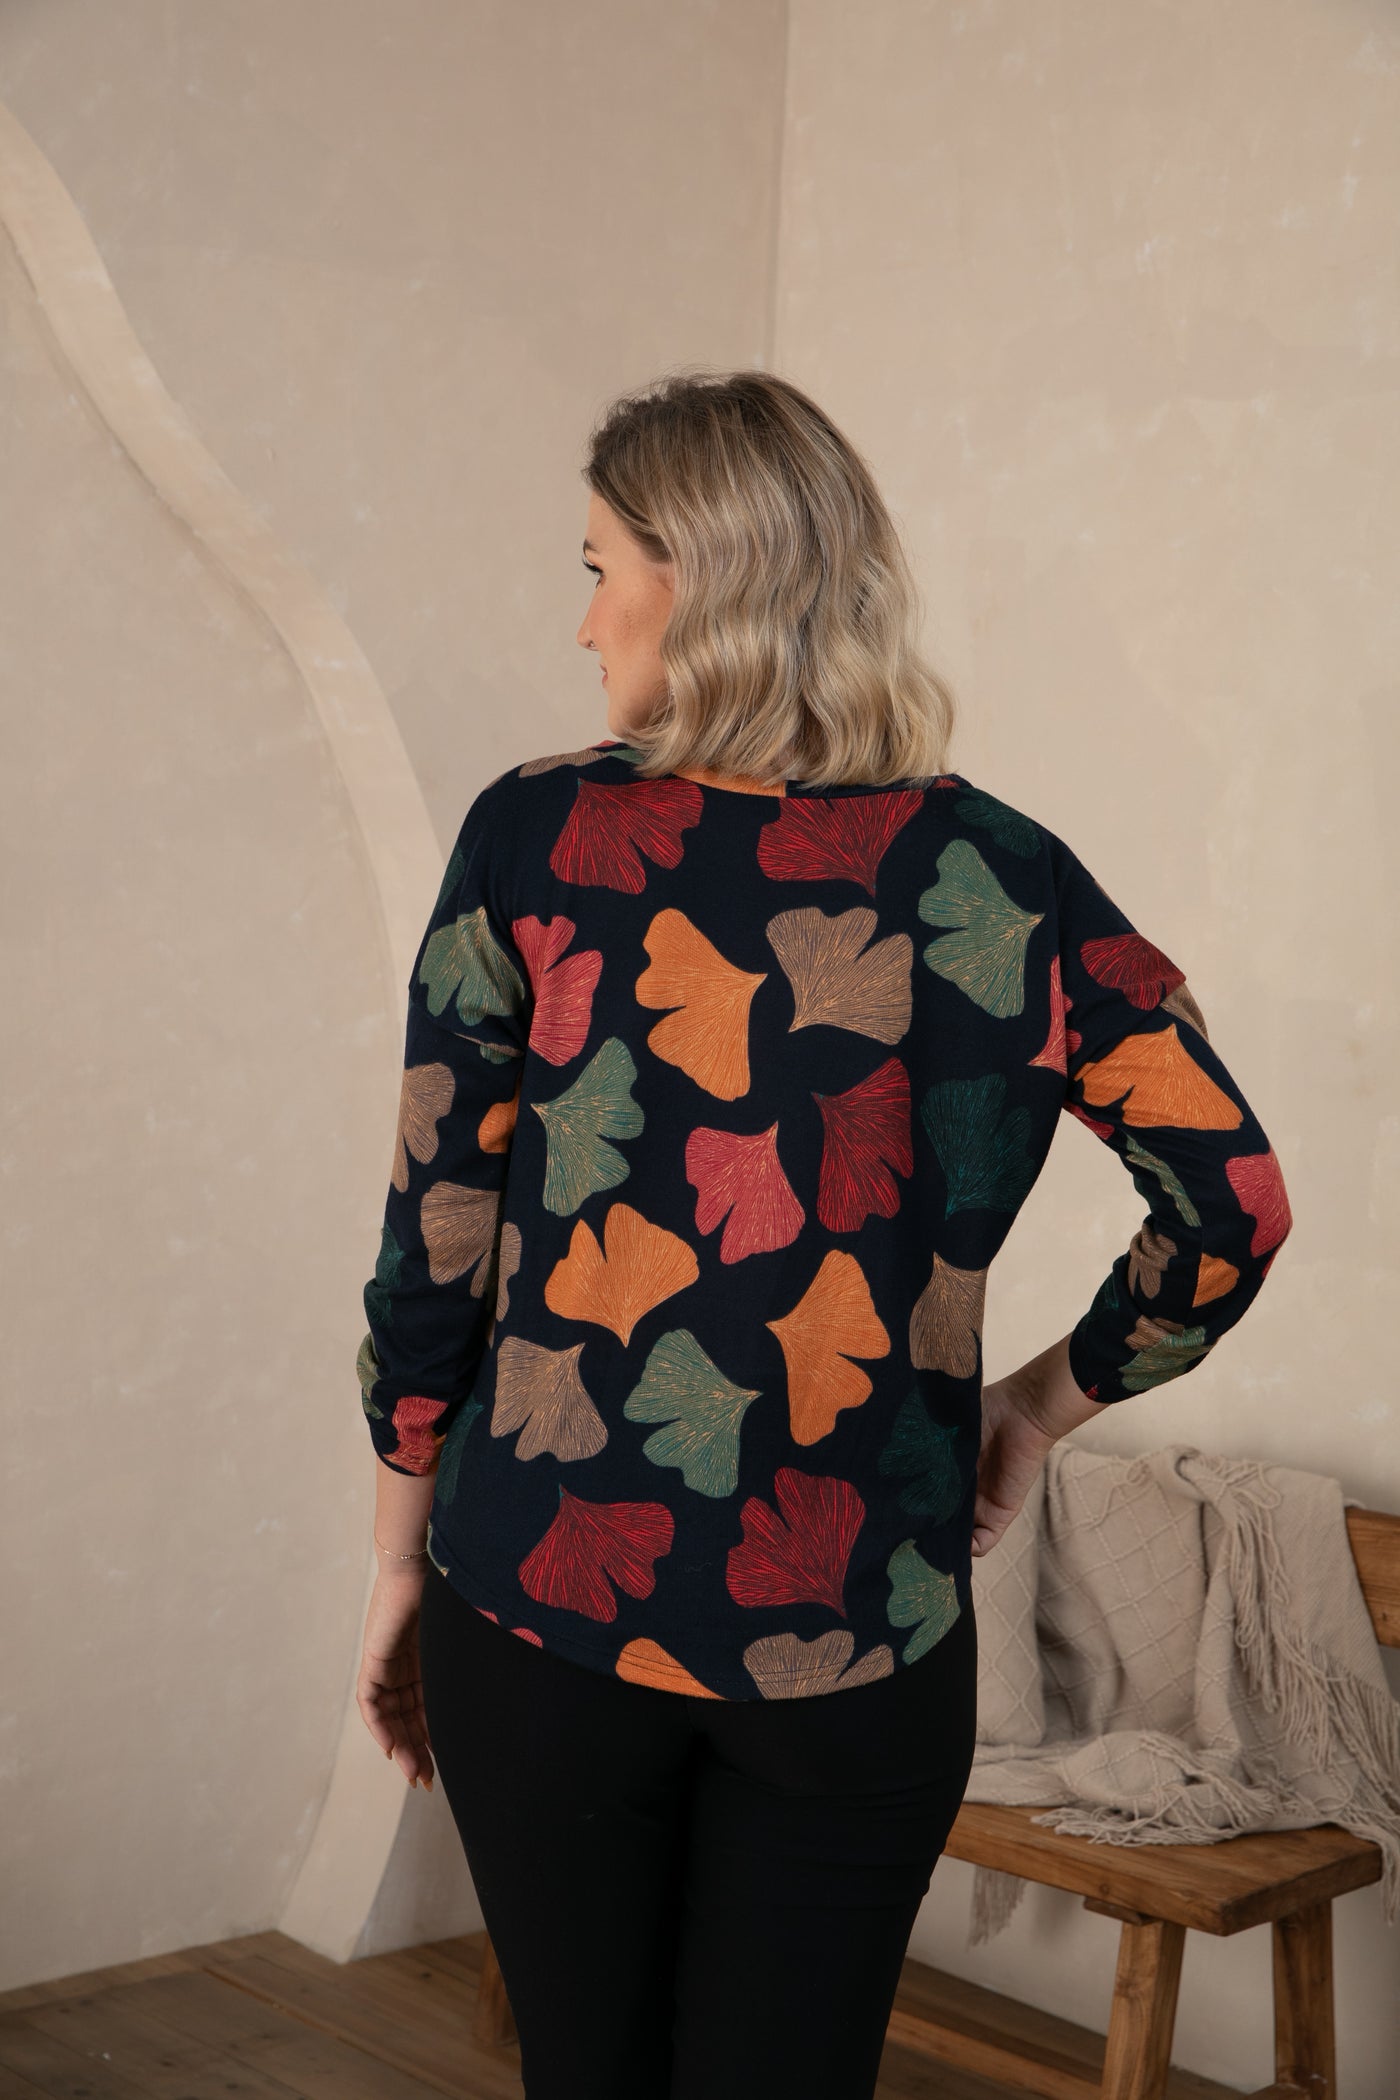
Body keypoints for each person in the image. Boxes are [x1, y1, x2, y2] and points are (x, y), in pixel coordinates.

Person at [350, 370, 1292, 2099]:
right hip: (862, 1637)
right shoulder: (1008, 876)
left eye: (599, 570)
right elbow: (1234, 1202)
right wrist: (1035, 1413)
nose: (583, 621)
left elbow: (439, 1233)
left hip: (544, 1602)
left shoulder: (537, 835)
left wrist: (403, 1552)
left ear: (696, 579)